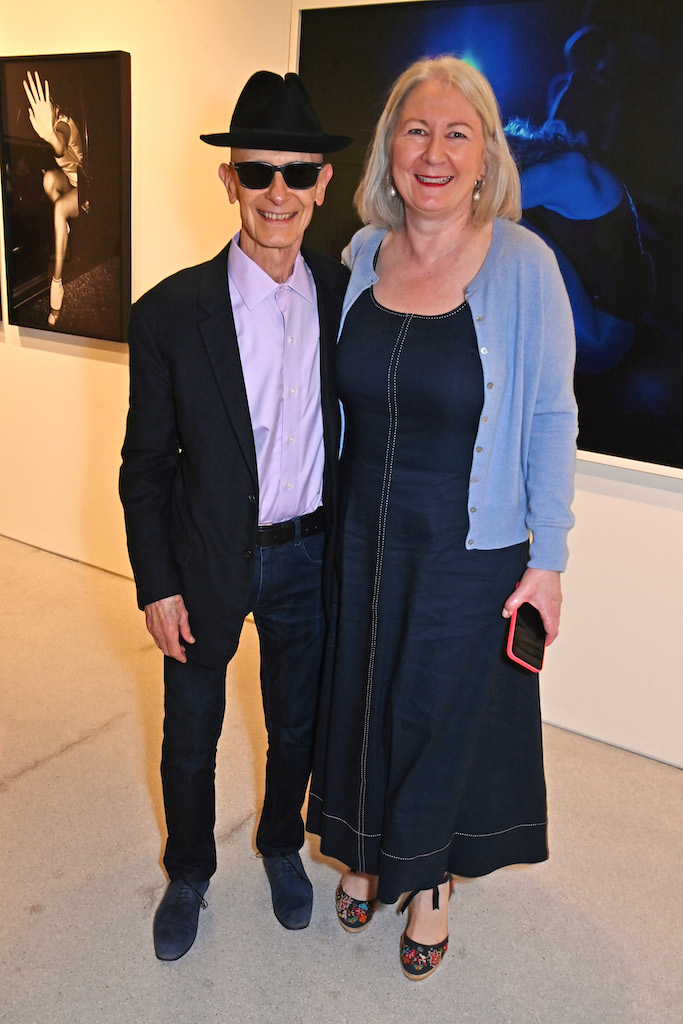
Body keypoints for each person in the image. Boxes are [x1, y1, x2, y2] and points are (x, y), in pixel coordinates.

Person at [306, 56, 578, 981]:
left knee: (437, 712)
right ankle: (368, 846)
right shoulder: (356, 256)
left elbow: (549, 412)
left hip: (467, 540)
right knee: (363, 698)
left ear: (486, 155)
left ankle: (430, 884)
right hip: (360, 530)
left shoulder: (523, 263)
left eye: (455, 133)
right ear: (388, 148)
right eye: (415, 131)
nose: (432, 152)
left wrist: (548, 555)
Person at [119, 70, 351, 960]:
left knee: (294, 721)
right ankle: (187, 871)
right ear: (230, 180)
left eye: (297, 174)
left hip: (306, 556)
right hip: (207, 557)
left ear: (323, 182)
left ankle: (282, 844)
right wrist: (157, 582)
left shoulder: (345, 295)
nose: (278, 194)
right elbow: (143, 467)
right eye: (258, 173)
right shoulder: (169, 314)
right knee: (192, 733)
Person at [23, 70, 84, 326]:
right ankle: (65, 227)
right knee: (48, 179)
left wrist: (50, 136)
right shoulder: (57, 122)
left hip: (87, 190)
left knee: (59, 208)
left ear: (56, 105)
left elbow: (59, 143)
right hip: (70, 181)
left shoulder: (64, 125)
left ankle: (56, 285)